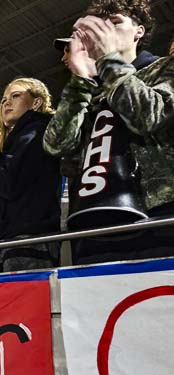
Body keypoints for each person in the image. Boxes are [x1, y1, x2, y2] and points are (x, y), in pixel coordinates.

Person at [43, 0, 174, 263]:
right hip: (93, 221)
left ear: (139, 31)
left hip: (156, 216)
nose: (105, 31)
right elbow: (56, 145)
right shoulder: (89, 90)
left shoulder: (163, 68)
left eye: (115, 22)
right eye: (101, 25)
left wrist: (108, 61)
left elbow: (149, 117)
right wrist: (80, 81)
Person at [0, 78, 62, 272]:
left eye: (15, 96)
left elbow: (8, 183)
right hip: (1, 240)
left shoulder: (38, 130)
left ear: (37, 102)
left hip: (28, 238)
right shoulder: (9, 143)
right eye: (4, 99)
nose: (6, 102)